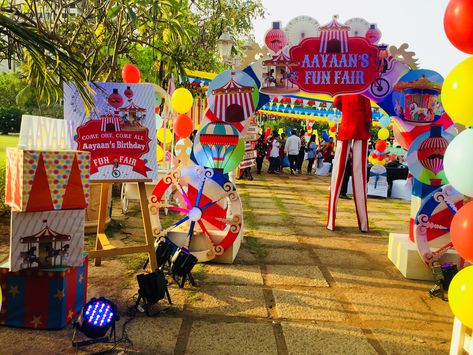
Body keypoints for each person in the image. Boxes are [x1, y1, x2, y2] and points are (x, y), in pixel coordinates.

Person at [327, 94, 372, 232]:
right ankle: (363, 225)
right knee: (360, 176)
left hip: (346, 127)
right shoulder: (363, 89)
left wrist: (347, 111)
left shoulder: (344, 89)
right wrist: (368, 122)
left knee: (337, 175)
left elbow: (336, 103)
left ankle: (330, 222)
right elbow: (368, 111)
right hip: (360, 129)